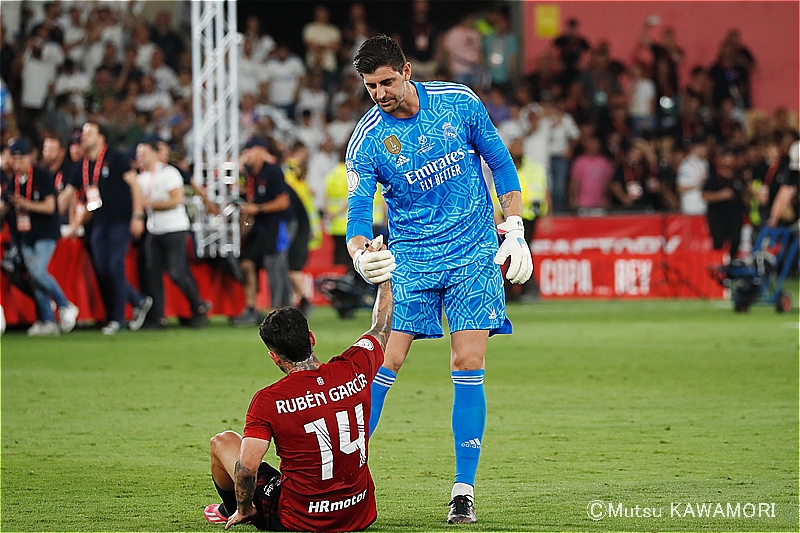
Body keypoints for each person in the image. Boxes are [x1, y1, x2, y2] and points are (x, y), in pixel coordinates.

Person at [345, 35, 532, 524]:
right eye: (370, 86)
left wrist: (514, 228)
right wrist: (361, 255)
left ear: (407, 70)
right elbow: (358, 215)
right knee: (385, 360)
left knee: (468, 362)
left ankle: (463, 491)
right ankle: (341, 477)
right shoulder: (367, 140)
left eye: (387, 82)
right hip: (412, 258)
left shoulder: (459, 102)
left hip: (473, 253)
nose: (380, 94)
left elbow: (500, 161)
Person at [204, 259, 393, 532]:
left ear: (274, 357)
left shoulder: (268, 400)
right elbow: (380, 327)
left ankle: (231, 510)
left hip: (301, 520)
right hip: (358, 514)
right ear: (312, 339)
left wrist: (246, 508)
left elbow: (246, 469)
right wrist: (384, 279)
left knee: (222, 442)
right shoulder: (354, 366)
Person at [58, 121, 152, 334]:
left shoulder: (115, 158)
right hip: (99, 222)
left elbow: (135, 185)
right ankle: (137, 300)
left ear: (101, 138)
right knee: (103, 269)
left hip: (120, 220)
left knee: (115, 266)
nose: (84, 137)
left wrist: (137, 215)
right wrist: (74, 224)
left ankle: (118, 320)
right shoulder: (83, 166)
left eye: (89, 133)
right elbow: (82, 199)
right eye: (83, 134)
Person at [0, 138, 79, 335]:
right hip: (25, 235)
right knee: (34, 277)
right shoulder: (12, 181)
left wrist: (24, 204)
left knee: (37, 272)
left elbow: (50, 207)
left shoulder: (42, 175)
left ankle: (65, 304)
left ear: (29, 157)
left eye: (21, 158)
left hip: (45, 232)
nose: (17, 162)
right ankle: (48, 320)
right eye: (14, 158)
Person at [135, 137, 209, 329]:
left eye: (143, 153)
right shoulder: (141, 177)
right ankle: (158, 317)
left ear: (154, 153)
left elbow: (177, 200)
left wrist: (150, 204)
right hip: (154, 229)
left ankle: (198, 306)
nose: (139, 157)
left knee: (177, 272)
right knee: (152, 275)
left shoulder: (169, 173)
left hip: (174, 228)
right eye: (138, 154)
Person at [230, 136, 290, 326]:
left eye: (249, 150)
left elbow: (283, 202)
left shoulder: (273, 171)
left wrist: (257, 208)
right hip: (259, 225)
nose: (245, 155)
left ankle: (275, 311)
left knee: (274, 266)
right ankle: (251, 308)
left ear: (260, 151)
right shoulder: (251, 175)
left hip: (275, 225)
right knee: (246, 262)